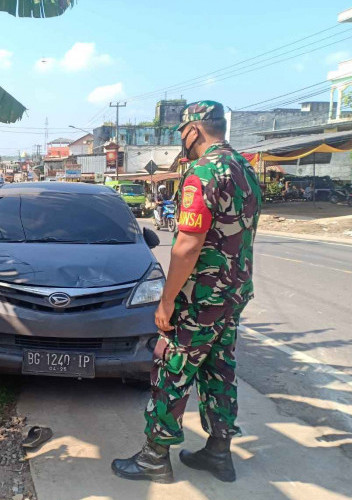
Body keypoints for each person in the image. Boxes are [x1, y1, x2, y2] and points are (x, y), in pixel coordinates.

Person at [112, 101, 262, 484]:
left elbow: (187, 246)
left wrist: (166, 301)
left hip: (200, 298)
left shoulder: (203, 172)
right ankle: (218, 452)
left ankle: (154, 457)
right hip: (233, 294)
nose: (183, 142)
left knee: (172, 369)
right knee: (219, 369)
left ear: (194, 130)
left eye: (182, 134)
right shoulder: (245, 168)